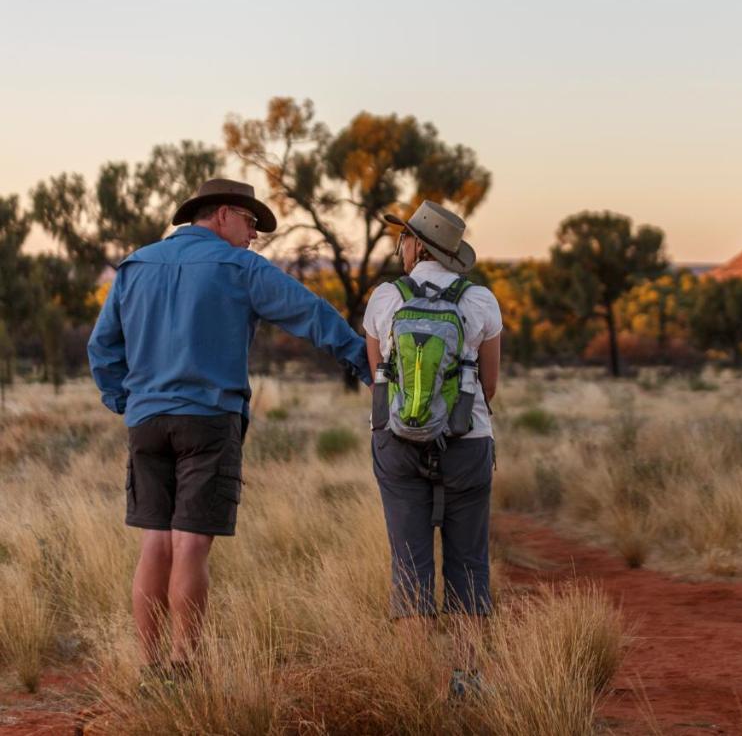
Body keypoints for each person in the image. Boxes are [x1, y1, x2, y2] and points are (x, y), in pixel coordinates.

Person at [87, 177, 372, 681]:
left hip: (147, 422)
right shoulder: (239, 267)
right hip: (208, 421)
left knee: (155, 543)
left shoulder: (134, 266)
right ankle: (182, 666)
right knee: (191, 546)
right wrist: (364, 363)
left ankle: (150, 668)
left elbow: (102, 346)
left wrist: (125, 401)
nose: (254, 235)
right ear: (221, 214)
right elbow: (309, 313)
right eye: (249, 222)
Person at [362, 199, 501, 692]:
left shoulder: (384, 298)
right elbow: (489, 387)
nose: (399, 245)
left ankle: (417, 686)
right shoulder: (480, 300)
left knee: (410, 563)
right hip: (468, 442)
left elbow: (381, 379)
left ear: (416, 244)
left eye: (402, 238)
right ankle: (467, 681)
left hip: (397, 444)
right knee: (468, 561)